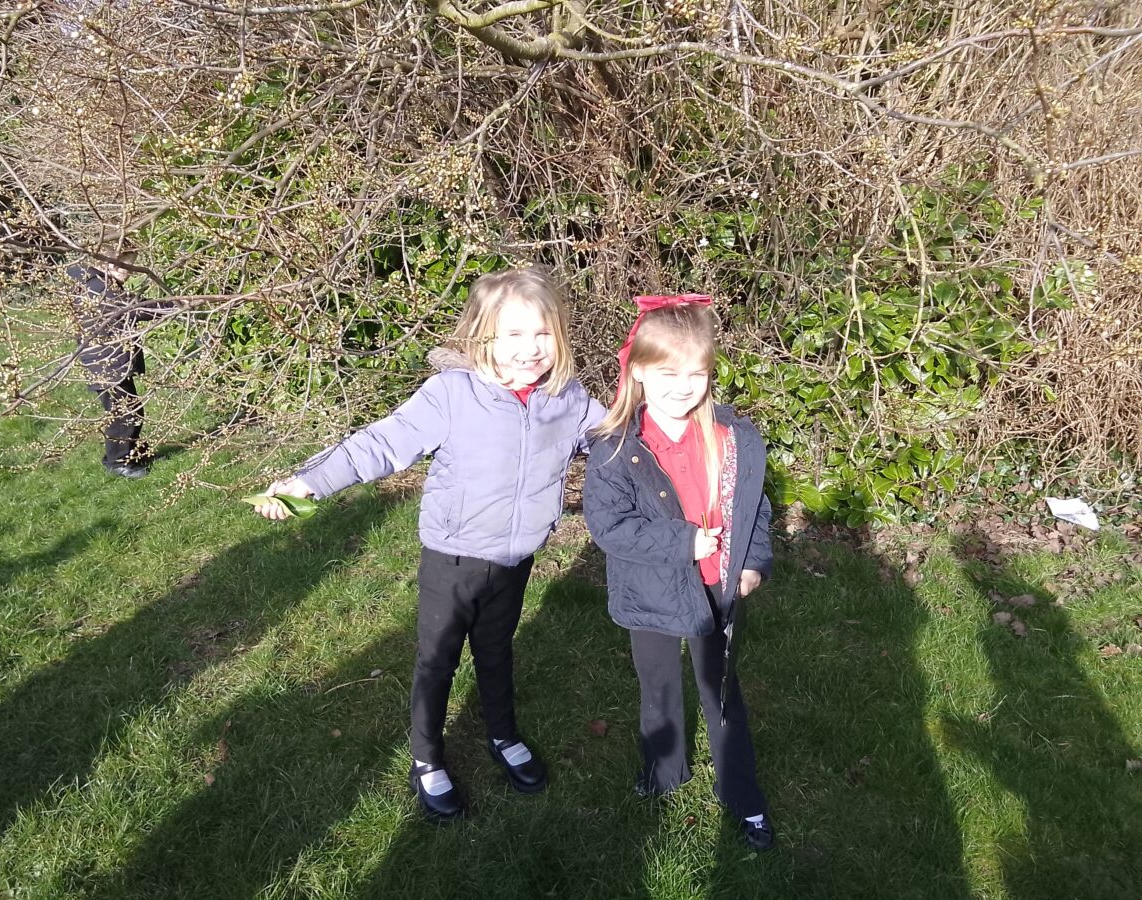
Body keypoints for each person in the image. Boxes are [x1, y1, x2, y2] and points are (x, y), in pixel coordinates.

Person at [254, 266, 605, 823]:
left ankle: (502, 734)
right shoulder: (451, 395)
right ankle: (427, 757)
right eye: (514, 334)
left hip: (514, 560)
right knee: (437, 660)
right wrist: (309, 481)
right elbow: (379, 444)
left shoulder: (567, 398)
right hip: (453, 559)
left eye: (543, 333)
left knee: (496, 651)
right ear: (482, 337)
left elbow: (614, 439)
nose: (531, 348)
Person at [582, 295, 776, 851]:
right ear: (638, 371)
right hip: (651, 592)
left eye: (696, 373)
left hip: (718, 587)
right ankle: (663, 773)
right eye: (668, 373)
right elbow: (610, 525)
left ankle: (741, 793)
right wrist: (683, 541)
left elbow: (754, 506)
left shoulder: (732, 438)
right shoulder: (617, 447)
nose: (683, 386)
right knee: (659, 687)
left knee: (721, 692)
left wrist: (753, 560)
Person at [68, 252, 169, 478]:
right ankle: (118, 461)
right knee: (124, 413)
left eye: (130, 266)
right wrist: (172, 305)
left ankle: (133, 454)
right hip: (106, 364)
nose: (128, 271)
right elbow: (135, 309)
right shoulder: (98, 288)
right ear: (104, 262)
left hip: (107, 361)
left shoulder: (96, 282)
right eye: (123, 265)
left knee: (130, 409)